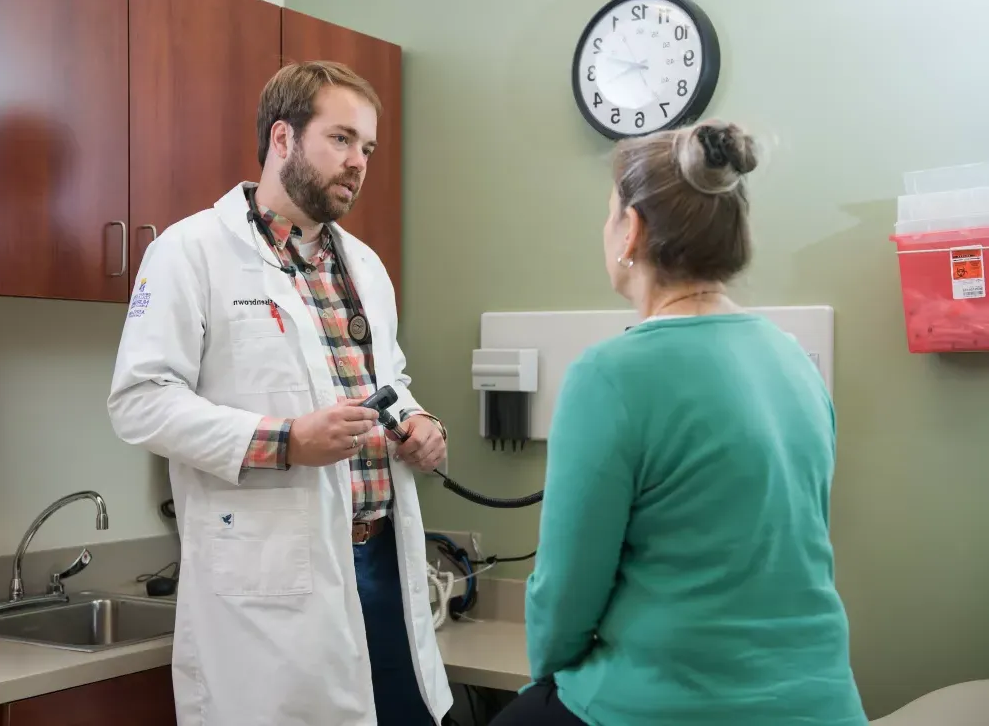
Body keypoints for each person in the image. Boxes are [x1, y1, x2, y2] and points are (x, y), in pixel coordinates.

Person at [107, 61, 453, 726]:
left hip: (381, 559)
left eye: (369, 149)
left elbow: (388, 381)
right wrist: (287, 441)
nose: (359, 163)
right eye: (342, 139)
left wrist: (418, 420)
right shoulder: (191, 253)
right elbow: (140, 401)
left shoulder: (365, 266)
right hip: (274, 576)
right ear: (283, 139)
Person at [490, 121, 868, 726]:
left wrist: (549, 677)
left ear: (630, 230)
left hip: (670, 705)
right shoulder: (794, 358)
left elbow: (565, 600)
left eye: (611, 212)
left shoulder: (609, 375)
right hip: (825, 703)